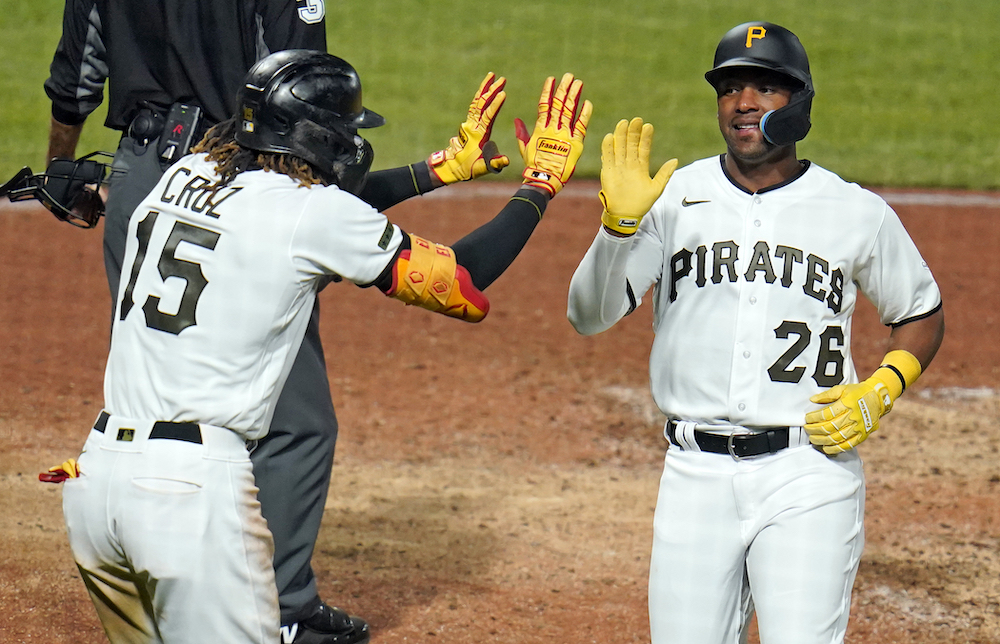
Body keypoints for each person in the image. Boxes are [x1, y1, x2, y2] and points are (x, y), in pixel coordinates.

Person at [56, 49, 591, 644]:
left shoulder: (188, 174)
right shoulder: (309, 215)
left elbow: (317, 220)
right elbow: (463, 286)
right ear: (319, 136)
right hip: (188, 499)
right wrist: (538, 187)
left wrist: (438, 171)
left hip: (97, 483)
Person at [566, 21, 944, 644]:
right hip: (693, 476)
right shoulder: (673, 197)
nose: (744, 103)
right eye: (731, 88)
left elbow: (921, 312)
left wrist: (882, 386)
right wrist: (618, 228)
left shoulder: (855, 211)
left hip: (808, 472)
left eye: (765, 88)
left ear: (799, 105)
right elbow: (589, 314)